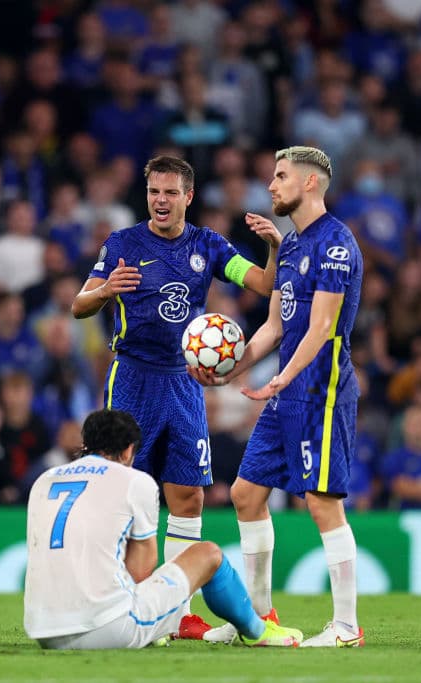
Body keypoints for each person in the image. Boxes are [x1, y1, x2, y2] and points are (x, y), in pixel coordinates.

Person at [71, 155, 281, 639]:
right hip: (132, 378)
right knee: (118, 493)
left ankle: (175, 612)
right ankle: (109, 599)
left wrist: (273, 247)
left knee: (187, 495)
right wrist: (105, 289)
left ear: (189, 196)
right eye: (153, 192)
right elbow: (79, 305)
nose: (160, 201)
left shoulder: (207, 245)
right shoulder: (122, 243)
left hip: (185, 381)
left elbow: (263, 284)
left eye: (170, 193)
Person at [191, 146, 365, 647]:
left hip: (321, 390)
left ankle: (347, 627)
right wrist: (230, 368)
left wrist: (282, 378)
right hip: (287, 391)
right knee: (246, 495)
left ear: (311, 183)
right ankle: (260, 618)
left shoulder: (335, 243)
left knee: (321, 501)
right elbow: (273, 326)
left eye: (281, 176)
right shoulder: (289, 246)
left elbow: (323, 325)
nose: (271, 185)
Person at [23, 408, 302, 649]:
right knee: (208, 555)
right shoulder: (135, 481)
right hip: (106, 628)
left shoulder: (44, 480)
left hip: (43, 630)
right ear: (130, 449)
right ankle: (257, 631)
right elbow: (143, 569)